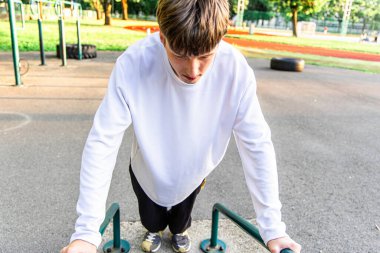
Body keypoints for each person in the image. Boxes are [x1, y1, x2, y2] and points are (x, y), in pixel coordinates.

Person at [60, 0, 302, 253]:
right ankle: (153, 230)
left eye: (205, 56)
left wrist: (273, 228)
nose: (193, 70)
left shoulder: (235, 71)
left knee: (180, 220)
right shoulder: (133, 64)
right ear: (162, 38)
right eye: (180, 54)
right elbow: (103, 140)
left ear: (220, 40)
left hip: (194, 171)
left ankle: (179, 232)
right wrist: (87, 232)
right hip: (148, 169)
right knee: (151, 218)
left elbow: (257, 145)